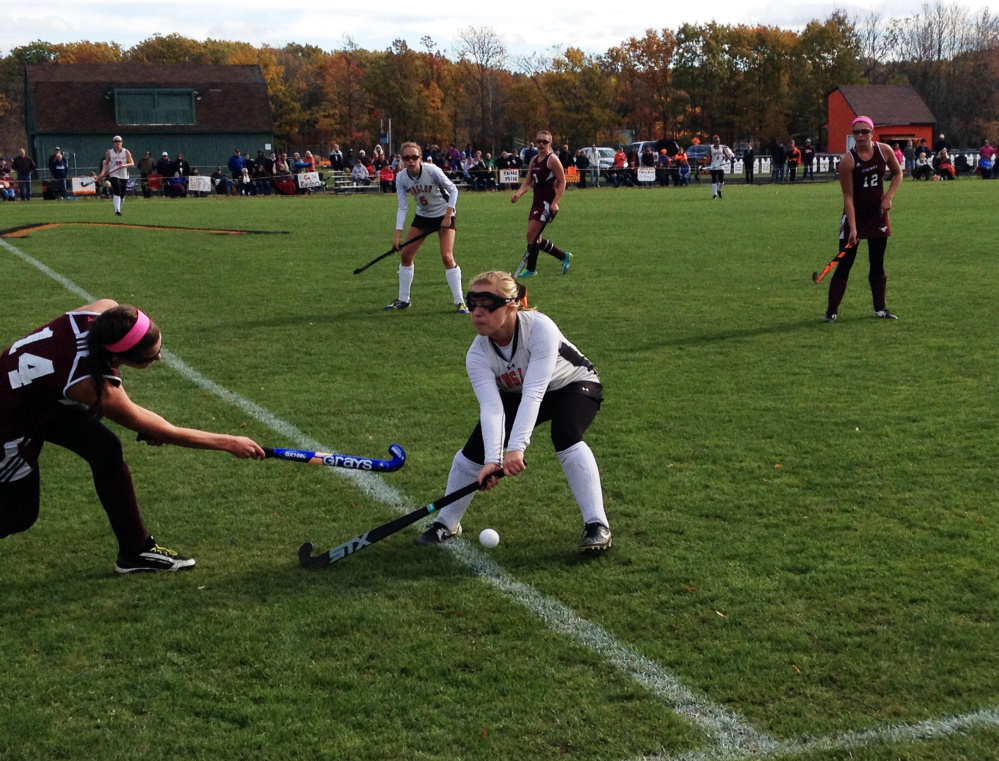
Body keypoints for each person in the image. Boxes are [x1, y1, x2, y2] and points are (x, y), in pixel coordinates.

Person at [0, 301, 265, 573]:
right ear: (117, 358)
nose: (158, 358)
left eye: (158, 349)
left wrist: (145, 424)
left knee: (105, 448)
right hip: (10, 424)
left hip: (38, 398)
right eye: (150, 358)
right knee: (18, 516)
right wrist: (229, 443)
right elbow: (166, 431)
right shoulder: (92, 386)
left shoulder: (104, 311)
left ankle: (134, 551)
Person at [414, 270, 611, 552]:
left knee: (566, 434)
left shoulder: (541, 329)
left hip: (573, 384)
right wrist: (493, 460)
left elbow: (535, 391)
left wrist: (516, 448)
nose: (478, 313)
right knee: (474, 451)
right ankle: (446, 523)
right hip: (520, 392)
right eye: (473, 304)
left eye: (488, 305)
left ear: (512, 305)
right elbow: (493, 408)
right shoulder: (477, 355)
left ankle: (597, 525)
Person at [823, 115, 903, 323]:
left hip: (877, 214)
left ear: (872, 132)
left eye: (864, 131)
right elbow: (848, 197)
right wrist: (853, 227)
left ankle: (880, 309)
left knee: (877, 262)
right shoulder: (847, 161)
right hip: (855, 216)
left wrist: (888, 197)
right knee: (845, 264)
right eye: (856, 132)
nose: (860, 136)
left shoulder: (884, 151)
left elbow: (898, 173)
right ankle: (831, 312)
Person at [385, 141, 468, 313]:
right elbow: (402, 206)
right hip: (423, 215)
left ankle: (460, 301)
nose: (411, 161)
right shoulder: (401, 178)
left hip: (444, 213)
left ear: (420, 158)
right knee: (406, 255)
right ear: (402, 159)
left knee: (446, 256)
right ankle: (403, 299)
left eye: (414, 157)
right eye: (406, 157)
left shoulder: (432, 170)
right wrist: (397, 237)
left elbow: (453, 190)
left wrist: (447, 216)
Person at [512, 130, 572, 277]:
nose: (541, 144)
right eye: (539, 141)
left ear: (550, 144)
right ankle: (563, 256)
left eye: (544, 142)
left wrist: (555, 203)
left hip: (547, 201)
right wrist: (518, 194)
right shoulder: (533, 160)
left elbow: (563, 182)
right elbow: (528, 181)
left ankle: (531, 269)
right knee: (536, 238)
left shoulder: (552, 160)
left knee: (531, 234)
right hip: (537, 200)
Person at [96, 136, 135, 216]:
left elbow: (132, 163)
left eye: (119, 141)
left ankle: (119, 208)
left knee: (122, 193)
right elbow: (106, 163)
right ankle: (117, 211)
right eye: (116, 141)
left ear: (122, 142)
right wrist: (102, 173)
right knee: (117, 189)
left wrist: (124, 165)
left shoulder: (126, 152)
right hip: (114, 174)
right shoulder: (109, 152)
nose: (118, 143)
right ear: (113, 143)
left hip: (124, 175)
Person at [707, 135, 735, 199]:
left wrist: (731, 159)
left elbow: (726, 154)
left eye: (718, 141)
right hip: (713, 166)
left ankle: (718, 190)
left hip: (720, 165)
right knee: (714, 180)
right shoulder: (711, 148)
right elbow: (708, 157)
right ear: (713, 142)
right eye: (715, 141)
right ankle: (715, 194)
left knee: (721, 181)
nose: (717, 142)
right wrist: (703, 165)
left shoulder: (721, 148)